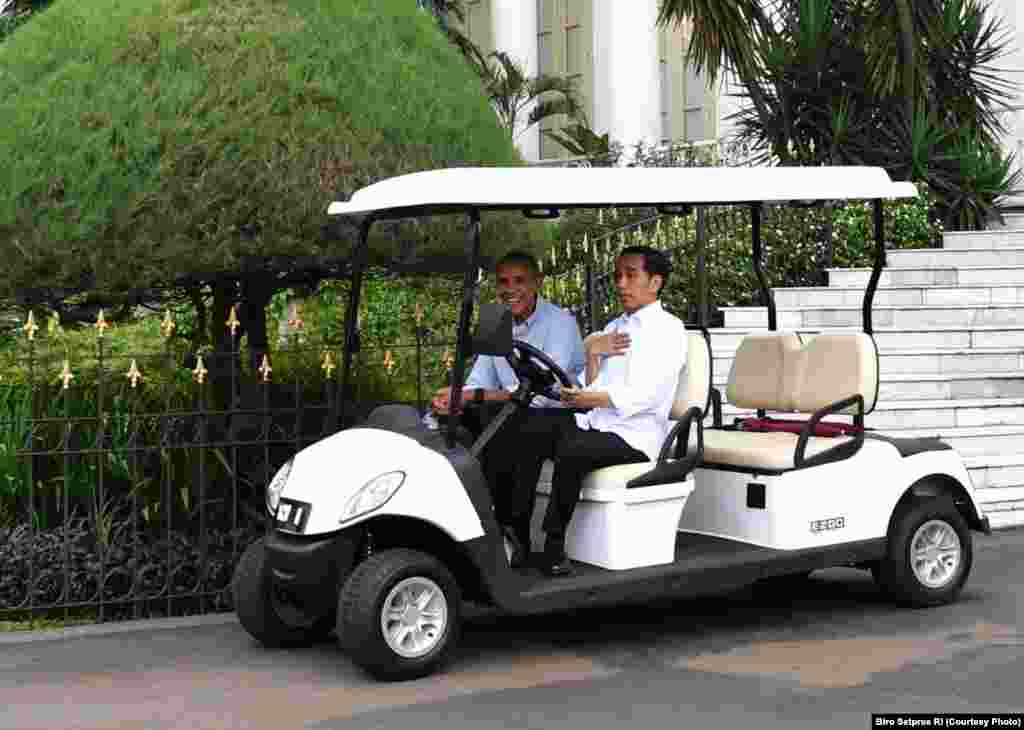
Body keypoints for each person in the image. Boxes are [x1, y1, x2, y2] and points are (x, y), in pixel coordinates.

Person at [504, 245, 688, 577]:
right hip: (598, 422)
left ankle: (554, 544)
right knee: (529, 427)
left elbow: (645, 396)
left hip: (636, 436)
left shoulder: (668, 330)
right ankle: (516, 536)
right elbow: (596, 383)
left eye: (631, 275)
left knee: (573, 450)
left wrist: (586, 399)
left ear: (655, 282)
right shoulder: (616, 325)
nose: (620, 283)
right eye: (618, 275)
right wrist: (592, 356)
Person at [430, 250, 585, 561]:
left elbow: (542, 392)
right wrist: (454, 397)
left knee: (519, 426)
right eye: (503, 281)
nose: (510, 289)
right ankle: (452, 524)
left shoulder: (561, 323)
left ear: (537, 282)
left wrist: (476, 397)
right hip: (516, 411)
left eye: (520, 281)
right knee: (451, 425)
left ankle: (515, 533)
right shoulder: (497, 323)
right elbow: (481, 380)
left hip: (561, 414)